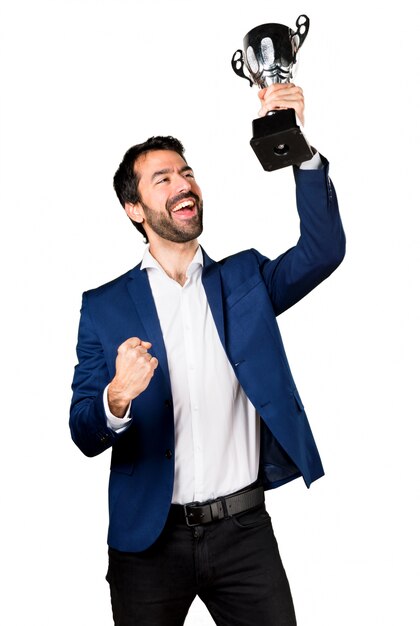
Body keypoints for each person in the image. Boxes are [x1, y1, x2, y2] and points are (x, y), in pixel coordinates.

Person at [70, 83, 345, 626]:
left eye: (187, 172)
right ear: (134, 208)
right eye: (163, 178)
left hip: (243, 534)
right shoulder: (103, 309)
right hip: (148, 544)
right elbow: (83, 432)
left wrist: (297, 147)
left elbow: (323, 250)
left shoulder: (244, 280)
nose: (183, 184)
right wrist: (117, 396)